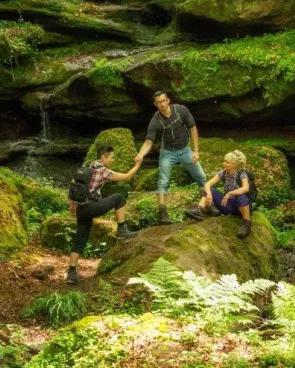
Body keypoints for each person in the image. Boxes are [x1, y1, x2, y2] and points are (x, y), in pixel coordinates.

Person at [66, 145, 141, 285]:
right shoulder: (102, 171)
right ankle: (122, 230)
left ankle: (71, 273)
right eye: (111, 158)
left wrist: (72, 205)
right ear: (103, 157)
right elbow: (127, 177)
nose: (112, 161)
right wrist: (138, 165)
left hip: (81, 209)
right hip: (92, 207)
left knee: (80, 238)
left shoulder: (85, 167)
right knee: (119, 198)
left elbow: (72, 185)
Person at [135, 91, 211, 225]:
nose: (162, 104)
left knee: (201, 177)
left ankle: (206, 205)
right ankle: (163, 213)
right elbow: (148, 141)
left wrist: (196, 151)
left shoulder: (181, 110)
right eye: (159, 102)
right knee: (163, 182)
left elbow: (193, 129)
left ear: (168, 100)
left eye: (164, 101)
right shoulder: (155, 121)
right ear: (155, 104)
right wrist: (140, 154)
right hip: (167, 153)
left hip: (185, 150)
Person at [185, 150, 252, 238]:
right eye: (224, 161)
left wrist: (230, 193)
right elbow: (207, 184)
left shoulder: (242, 174)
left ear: (234, 164)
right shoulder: (223, 173)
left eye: (227, 162)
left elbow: (245, 188)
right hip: (227, 205)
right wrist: (209, 194)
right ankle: (200, 209)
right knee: (209, 190)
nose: (224, 163)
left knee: (241, 196)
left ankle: (246, 223)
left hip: (241, 207)